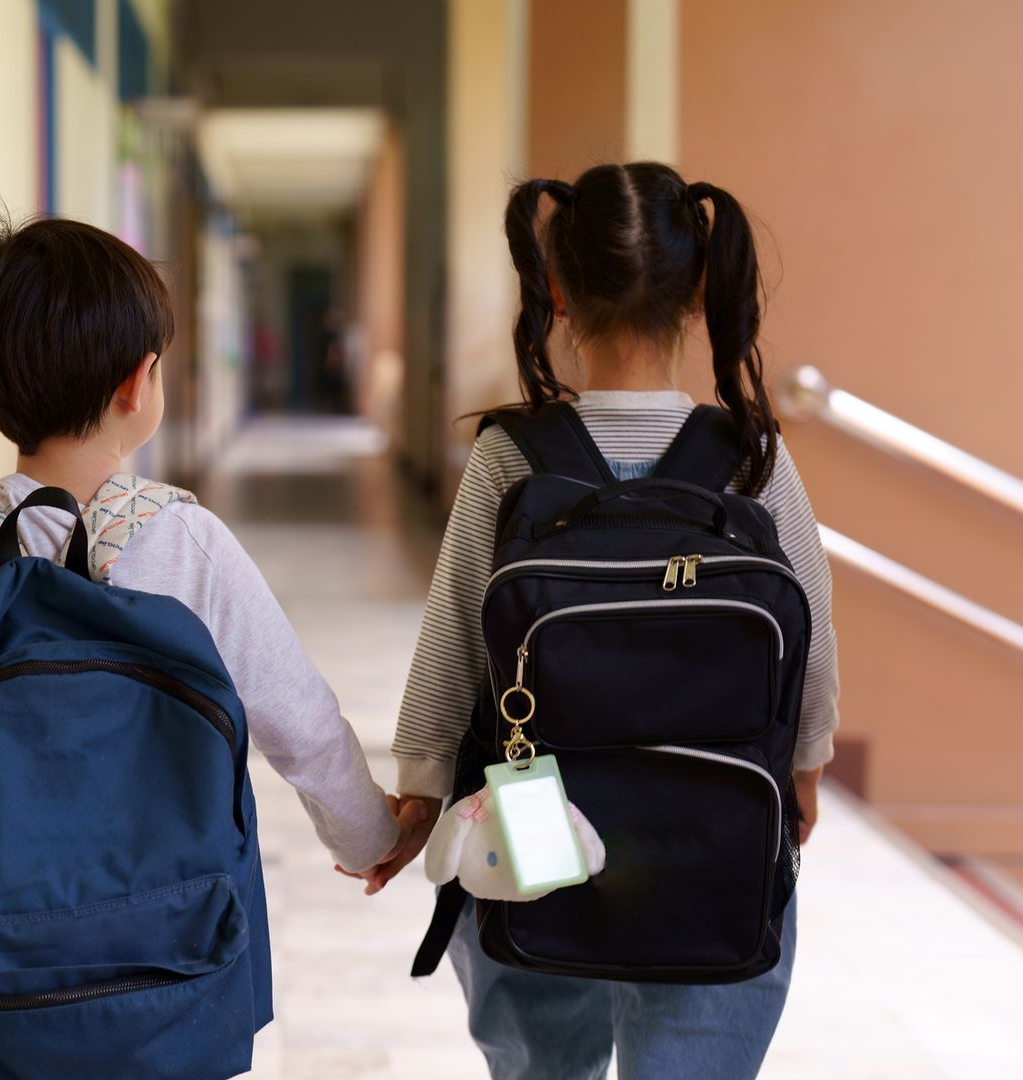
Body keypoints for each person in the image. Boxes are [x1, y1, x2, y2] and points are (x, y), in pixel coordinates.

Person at [0, 213, 406, 976]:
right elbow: (298, 719)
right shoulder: (186, 538)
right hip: (171, 941)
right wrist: (371, 836)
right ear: (137, 383)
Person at [367, 163, 841, 1079]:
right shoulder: (750, 456)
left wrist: (422, 789)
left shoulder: (514, 455)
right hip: (714, 834)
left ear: (555, 291)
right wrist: (804, 764)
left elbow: (454, 641)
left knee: (542, 1047)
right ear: (702, 286)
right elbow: (810, 633)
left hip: (534, 823)